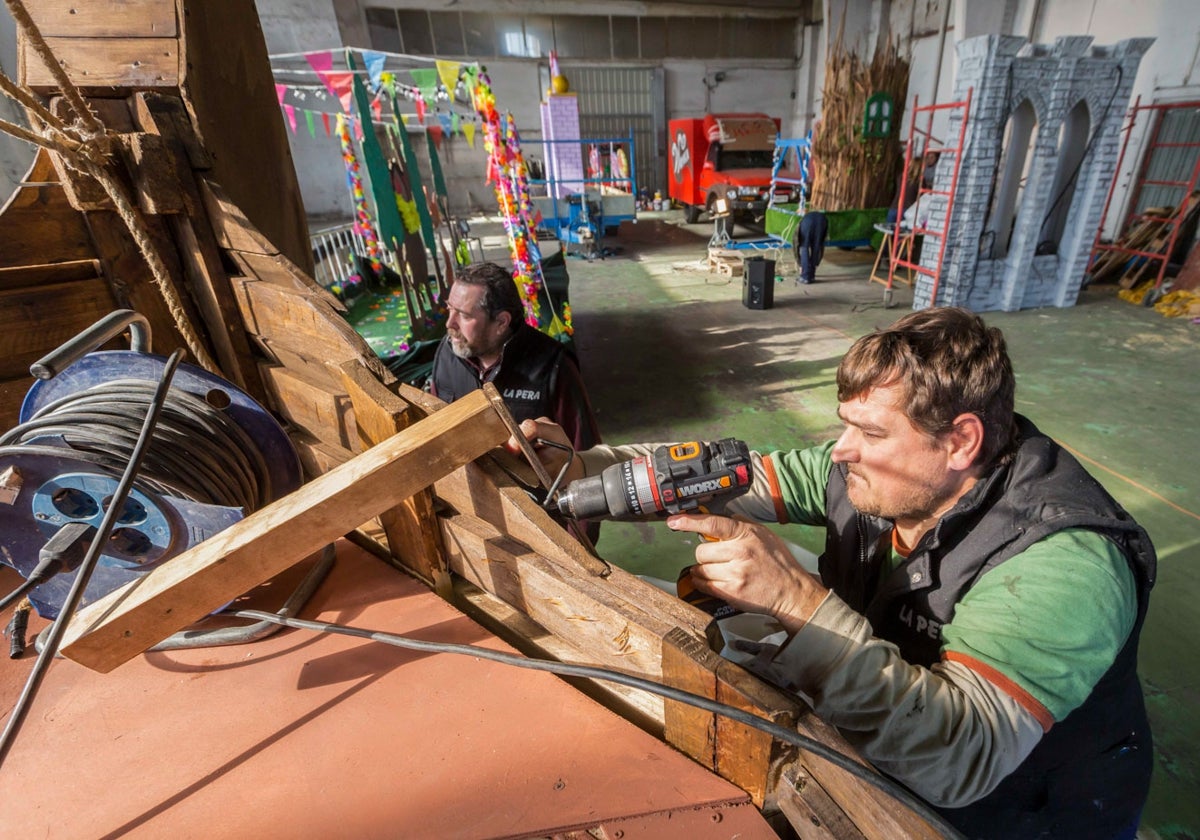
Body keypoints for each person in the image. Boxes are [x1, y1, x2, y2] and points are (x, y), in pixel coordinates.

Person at [511, 307, 1155, 838]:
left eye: (871, 434)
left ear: (961, 442)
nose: (841, 450)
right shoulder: (880, 475)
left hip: (1019, 812)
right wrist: (580, 469)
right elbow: (724, 476)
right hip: (890, 731)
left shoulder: (1065, 561)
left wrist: (796, 600)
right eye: (846, 425)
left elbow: (962, 757)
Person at [429, 261, 601, 454]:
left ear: (502, 322)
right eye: (450, 309)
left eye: (464, 316)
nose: (450, 324)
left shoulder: (554, 367)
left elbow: (586, 455)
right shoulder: (448, 351)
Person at [795, 210, 828, 284]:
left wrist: (800, 264)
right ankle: (811, 276)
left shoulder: (799, 225)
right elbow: (821, 246)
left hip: (809, 222)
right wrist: (816, 263)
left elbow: (796, 248)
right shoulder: (808, 216)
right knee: (816, 247)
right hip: (822, 220)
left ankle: (805, 277)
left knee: (804, 247)